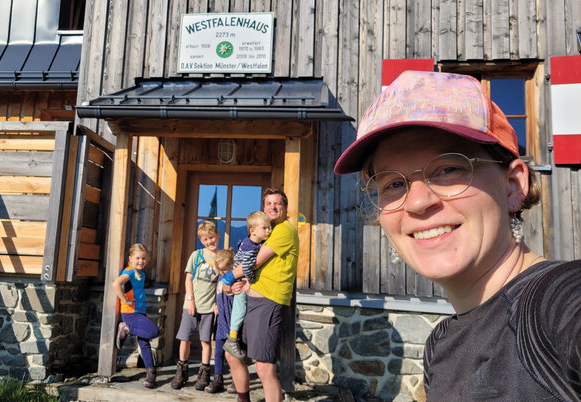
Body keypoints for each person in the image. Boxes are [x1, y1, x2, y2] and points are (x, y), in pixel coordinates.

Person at [333, 70, 581, 400]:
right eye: (393, 184)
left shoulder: (557, 301)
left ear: (513, 186)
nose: (419, 202)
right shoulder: (440, 345)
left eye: (449, 169)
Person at [220, 188, 299, 402]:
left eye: (277, 203)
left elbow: (253, 263)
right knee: (232, 353)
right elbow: (253, 271)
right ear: (263, 208)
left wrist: (226, 279)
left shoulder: (283, 230)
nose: (273, 207)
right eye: (268, 204)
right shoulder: (266, 232)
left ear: (285, 207)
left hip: (268, 303)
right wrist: (237, 285)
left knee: (264, 367)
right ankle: (243, 398)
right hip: (251, 301)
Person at [170, 220, 219, 391]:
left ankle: (204, 372)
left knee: (206, 341)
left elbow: (221, 284)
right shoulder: (196, 255)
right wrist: (190, 299)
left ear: (217, 236)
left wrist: (217, 304)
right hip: (191, 305)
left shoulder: (220, 259)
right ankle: (181, 371)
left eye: (211, 237)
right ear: (201, 241)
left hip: (209, 308)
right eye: (206, 239)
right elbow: (188, 278)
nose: (209, 242)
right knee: (185, 338)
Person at [223, 211, 272, 360]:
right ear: (252, 231)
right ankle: (232, 338)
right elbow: (246, 267)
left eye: (269, 227)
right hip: (239, 279)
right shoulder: (251, 247)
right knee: (240, 307)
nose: (268, 231)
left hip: (237, 278)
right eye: (264, 228)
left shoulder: (253, 242)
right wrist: (250, 281)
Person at [112, 243, 160, 388]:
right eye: (138, 258)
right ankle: (126, 329)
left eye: (144, 258)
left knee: (144, 343)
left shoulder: (141, 274)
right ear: (130, 258)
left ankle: (151, 373)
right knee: (154, 331)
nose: (141, 261)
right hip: (130, 313)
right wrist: (124, 300)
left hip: (140, 310)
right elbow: (116, 284)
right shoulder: (130, 272)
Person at [205, 248, 237, 394]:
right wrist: (216, 305)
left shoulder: (236, 279)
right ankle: (218, 379)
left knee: (234, 353)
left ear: (232, 265)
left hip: (232, 321)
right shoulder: (220, 277)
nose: (223, 272)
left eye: (225, 269)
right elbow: (218, 294)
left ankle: (238, 380)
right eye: (220, 270)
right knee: (217, 353)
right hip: (221, 320)